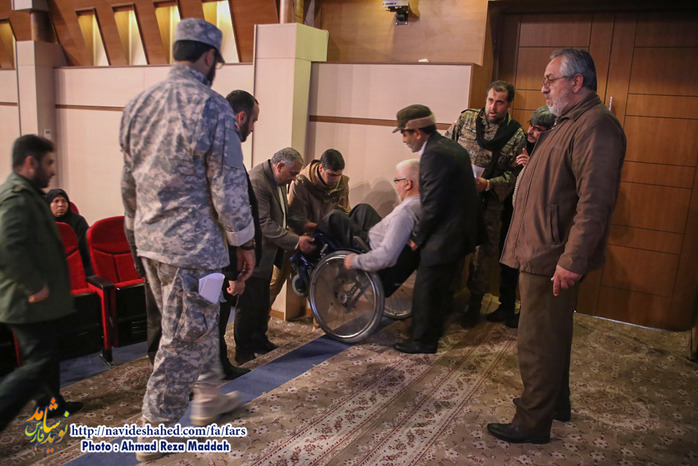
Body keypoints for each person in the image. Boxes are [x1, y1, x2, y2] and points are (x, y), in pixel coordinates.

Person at [120, 17, 256, 459]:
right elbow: (228, 186)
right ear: (209, 57)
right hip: (193, 251)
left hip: (150, 241)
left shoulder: (138, 104)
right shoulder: (213, 107)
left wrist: (133, 232)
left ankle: (208, 397)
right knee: (182, 339)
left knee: (195, 327)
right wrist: (244, 243)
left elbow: (128, 181)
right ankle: (152, 431)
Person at [487, 48, 626, 444]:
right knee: (553, 334)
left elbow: (595, 202)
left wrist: (572, 259)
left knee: (537, 341)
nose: (544, 88)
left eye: (551, 80)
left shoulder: (596, 126)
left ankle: (532, 422)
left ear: (577, 82)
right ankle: (555, 404)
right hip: (543, 248)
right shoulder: (569, 122)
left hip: (551, 255)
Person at [0, 135, 83, 432]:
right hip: (25, 300)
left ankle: (52, 404)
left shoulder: (30, 194)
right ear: (30, 162)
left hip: (36, 301)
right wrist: (34, 285)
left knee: (45, 358)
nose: (52, 170)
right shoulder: (15, 197)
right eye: (48, 163)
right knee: (38, 364)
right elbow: (7, 247)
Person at [392, 105, 481, 354]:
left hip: (448, 232)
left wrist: (417, 237)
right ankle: (434, 330)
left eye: (405, 134)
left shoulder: (433, 155)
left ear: (418, 132)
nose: (404, 139)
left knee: (427, 286)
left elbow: (432, 204)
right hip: (460, 230)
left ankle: (423, 340)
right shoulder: (448, 146)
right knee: (440, 286)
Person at [445, 81, 526, 327]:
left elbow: (514, 175)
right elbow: (446, 147)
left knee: (482, 256)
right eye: (490, 100)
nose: (493, 107)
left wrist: (489, 184)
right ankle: (446, 299)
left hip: (489, 204)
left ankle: (474, 305)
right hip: (459, 199)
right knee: (453, 250)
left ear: (509, 104)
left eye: (499, 102)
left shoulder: (516, 135)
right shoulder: (467, 119)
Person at [235, 148, 316, 365]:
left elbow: (282, 215)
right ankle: (243, 350)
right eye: (292, 173)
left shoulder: (277, 179)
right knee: (249, 304)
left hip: (267, 254)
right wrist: (296, 241)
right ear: (279, 166)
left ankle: (259, 340)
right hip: (253, 254)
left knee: (262, 302)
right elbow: (264, 224)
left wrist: (304, 226)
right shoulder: (257, 181)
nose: (295, 178)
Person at [486, 106, 556, 328]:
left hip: (536, 221)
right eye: (531, 126)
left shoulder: (554, 151)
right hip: (512, 213)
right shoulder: (522, 143)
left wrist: (532, 166)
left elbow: (551, 189)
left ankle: (526, 313)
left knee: (530, 268)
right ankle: (505, 305)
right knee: (508, 262)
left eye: (538, 129)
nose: (531, 131)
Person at [317, 159, 421, 295]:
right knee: (363, 209)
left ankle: (311, 251)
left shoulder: (405, 212)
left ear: (408, 183)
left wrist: (354, 261)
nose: (396, 185)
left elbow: (386, 256)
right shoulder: (420, 204)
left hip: (369, 248)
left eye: (397, 181)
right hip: (383, 238)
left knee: (334, 217)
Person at [268, 148, 350, 305]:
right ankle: (261, 317)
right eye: (331, 175)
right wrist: (317, 227)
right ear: (321, 168)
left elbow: (344, 212)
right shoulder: (301, 182)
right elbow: (295, 218)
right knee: (275, 281)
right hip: (296, 236)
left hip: (323, 236)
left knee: (325, 283)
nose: (335, 179)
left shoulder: (342, 183)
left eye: (338, 175)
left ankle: (318, 319)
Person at [218, 89, 262, 380]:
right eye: (253, 121)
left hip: (211, 255)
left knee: (215, 317)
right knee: (210, 317)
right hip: (214, 256)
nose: (253, 128)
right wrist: (234, 271)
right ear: (241, 116)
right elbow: (230, 212)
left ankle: (216, 365)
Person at [46, 188, 93, 276]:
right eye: (56, 201)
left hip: (76, 265)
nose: (60, 205)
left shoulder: (78, 221)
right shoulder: (42, 222)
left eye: (64, 201)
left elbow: (84, 249)